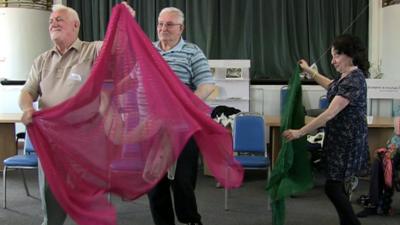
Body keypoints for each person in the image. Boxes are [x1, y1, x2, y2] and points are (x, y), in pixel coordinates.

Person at [19, 3, 135, 225]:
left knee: (91, 202)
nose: (53, 23)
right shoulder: (42, 60)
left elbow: (117, 49)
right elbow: (27, 91)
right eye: (51, 21)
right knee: (51, 198)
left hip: (87, 142)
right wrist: (27, 108)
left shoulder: (93, 50)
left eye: (59, 19)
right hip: (51, 140)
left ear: (75, 25)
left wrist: (123, 26)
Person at [282, 34, 370, 225]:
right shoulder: (346, 78)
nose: (332, 61)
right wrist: (310, 72)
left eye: (336, 55)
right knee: (337, 187)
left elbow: (330, 113)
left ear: (349, 55)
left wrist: (299, 132)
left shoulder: (354, 80)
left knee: (333, 187)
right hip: (339, 140)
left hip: (347, 143)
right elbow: (331, 86)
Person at [147, 7, 215, 225]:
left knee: (182, 182)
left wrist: (186, 106)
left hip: (183, 127)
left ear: (181, 28)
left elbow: (206, 85)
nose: (163, 28)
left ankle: (190, 221)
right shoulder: (148, 50)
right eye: (160, 24)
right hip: (153, 128)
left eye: (169, 24)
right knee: (155, 184)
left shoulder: (192, 52)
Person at [356, 119, 400, 217]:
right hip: (395, 150)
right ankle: (375, 203)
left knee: (388, 161)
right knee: (380, 160)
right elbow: (397, 131)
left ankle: (380, 204)